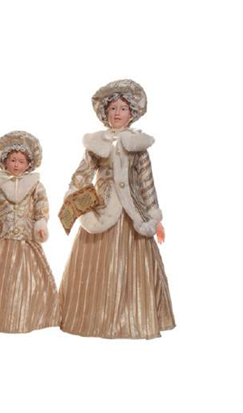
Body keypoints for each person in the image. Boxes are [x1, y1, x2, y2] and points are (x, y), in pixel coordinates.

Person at [59, 79, 175, 339]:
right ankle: (93, 317)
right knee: (97, 263)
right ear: (105, 113)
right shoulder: (96, 145)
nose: (117, 113)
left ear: (132, 113)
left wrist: (154, 217)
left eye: (123, 108)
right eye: (113, 108)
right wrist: (77, 203)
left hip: (132, 215)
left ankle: (132, 317)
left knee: (133, 264)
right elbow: (81, 177)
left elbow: (146, 183)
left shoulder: (137, 146)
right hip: (102, 211)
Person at [0, 131, 61, 333]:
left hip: (26, 238)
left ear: (29, 164)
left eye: (21, 161)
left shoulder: (35, 185)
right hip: (2, 238)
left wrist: (41, 223)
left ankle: (28, 317)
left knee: (28, 277)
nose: (16, 165)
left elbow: (41, 206)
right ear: (4, 161)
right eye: (12, 160)